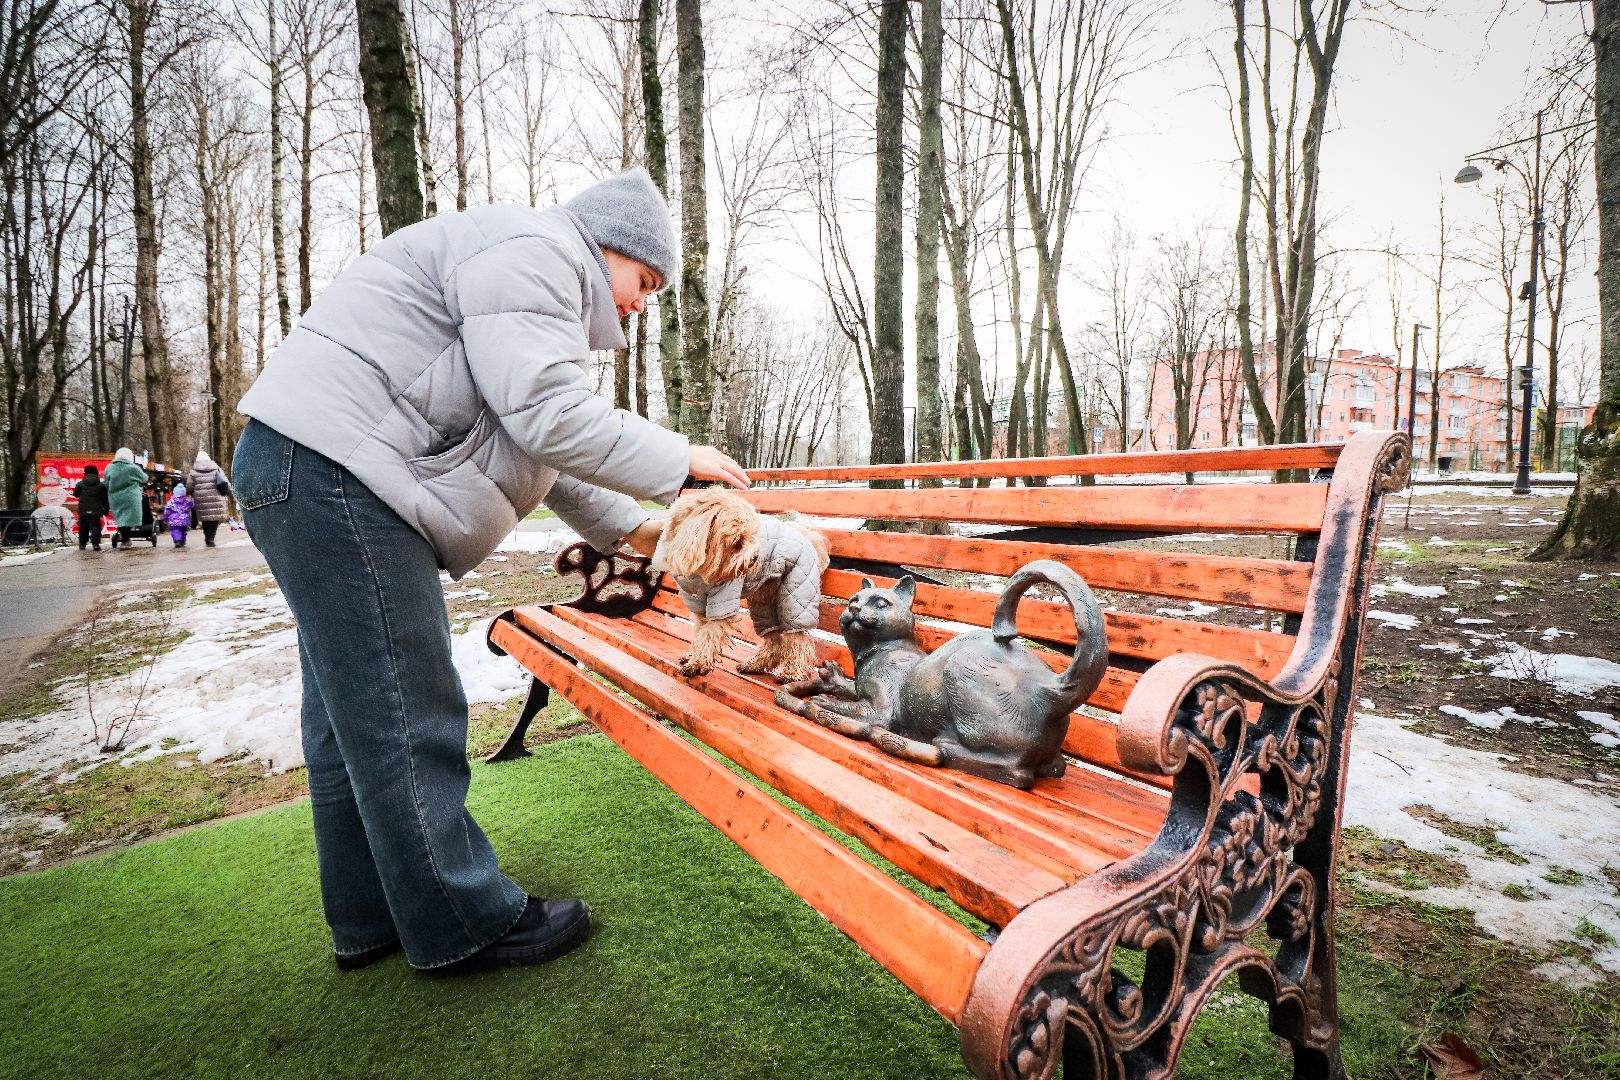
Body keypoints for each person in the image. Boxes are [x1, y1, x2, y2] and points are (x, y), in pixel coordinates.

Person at [233, 167, 750, 976]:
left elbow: (538, 447)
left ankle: (373, 917)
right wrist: (682, 463)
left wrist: (642, 533)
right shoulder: (537, 253)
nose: (640, 304)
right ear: (607, 245)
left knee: (351, 719)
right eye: (642, 280)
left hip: (301, 466)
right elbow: (549, 415)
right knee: (410, 706)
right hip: (342, 475)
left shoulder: (519, 273)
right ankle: (462, 920)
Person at [104, 448, 147, 550]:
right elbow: (144, 479)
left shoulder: (110, 468)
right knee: (129, 518)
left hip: (115, 498)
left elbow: (106, 483)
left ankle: (125, 538)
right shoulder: (133, 468)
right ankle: (126, 539)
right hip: (131, 497)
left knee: (121, 518)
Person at [188, 451, 232, 547]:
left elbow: (189, 486)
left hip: (200, 499)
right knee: (214, 519)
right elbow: (225, 481)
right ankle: (211, 538)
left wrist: (193, 493)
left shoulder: (193, 472)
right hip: (216, 498)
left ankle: (208, 537)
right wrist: (229, 491)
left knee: (205, 519)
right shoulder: (216, 469)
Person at [72, 465, 109, 551]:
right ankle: (95, 544)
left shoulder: (80, 484)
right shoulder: (101, 485)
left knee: (83, 527)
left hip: (83, 510)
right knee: (95, 527)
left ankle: (82, 544)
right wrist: (106, 509)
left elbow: (75, 494)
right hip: (96, 510)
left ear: (85, 473)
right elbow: (105, 499)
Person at [163, 482, 194, 548]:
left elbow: (167, 511)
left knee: (175, 530)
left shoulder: (171, 501)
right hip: (184, 519)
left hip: (173, 519)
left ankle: (177, 541)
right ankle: (182, 540)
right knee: (183, 530)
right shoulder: (187, 501)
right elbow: (192, 506)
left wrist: (165, 518)